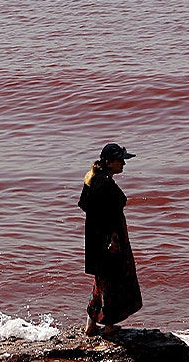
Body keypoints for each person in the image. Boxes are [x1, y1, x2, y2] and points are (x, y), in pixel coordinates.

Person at [78, 142, 142, 336]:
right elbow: (111, 213)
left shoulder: (92, 179)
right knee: (115, 282)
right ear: (109, 162)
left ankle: (91, 324)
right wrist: (113, 240)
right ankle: (109, 326)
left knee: (101, 282)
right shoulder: (105, 183)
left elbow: (85, 205)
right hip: (110, 242)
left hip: (96, 242)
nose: (123, 164)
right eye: (120, 160)